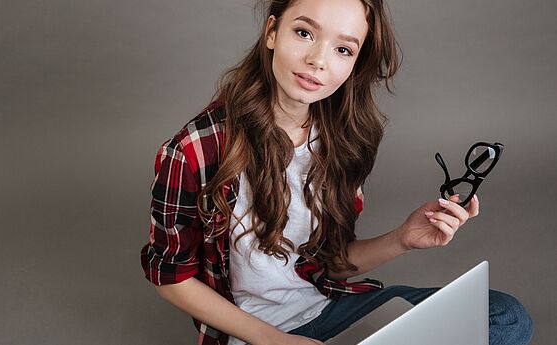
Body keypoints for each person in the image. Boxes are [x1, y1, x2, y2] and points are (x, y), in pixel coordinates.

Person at [139, 0, 534, 344]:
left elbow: (328, 263)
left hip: (331, 309)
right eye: (304, 33)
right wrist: (274, 340)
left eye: (343, 49)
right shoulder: (194, 150)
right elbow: (170, 277)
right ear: (272, 32)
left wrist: (403, 238)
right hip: (254, 334)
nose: (319, 60)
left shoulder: (343, 141)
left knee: (505, 316)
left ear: (353, 64)